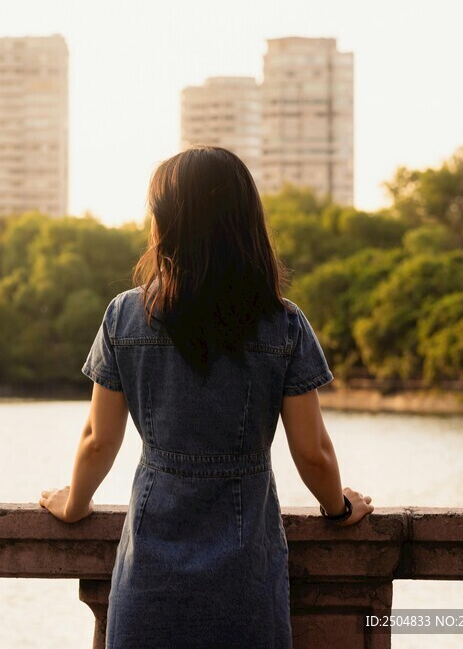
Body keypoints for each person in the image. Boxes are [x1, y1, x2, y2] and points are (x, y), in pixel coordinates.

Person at [38, 145, 373, 648]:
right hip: (246, 576)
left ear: (165, 225)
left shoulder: (125, 316)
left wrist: (75, 504)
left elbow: (97, 440)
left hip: (149, 572)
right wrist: (338, 508)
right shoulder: (283, 323)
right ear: (245, 223)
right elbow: (313, 451)